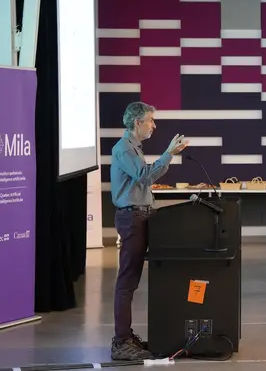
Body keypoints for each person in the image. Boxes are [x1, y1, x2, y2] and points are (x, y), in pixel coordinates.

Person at [110, 102, 188, 360]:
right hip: (132, 219)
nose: (154, 125)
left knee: (131, 282)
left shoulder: (134, 149)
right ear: (137, 123)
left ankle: (126, 336)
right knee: (127, 282)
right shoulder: (123, 150)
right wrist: (168, 153)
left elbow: (146, 177)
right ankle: (122, 342)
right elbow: (144, 176)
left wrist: (168, 155)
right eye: (151, 120)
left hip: (140, 217)